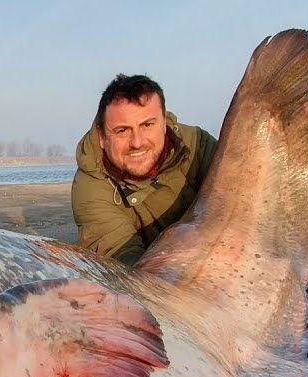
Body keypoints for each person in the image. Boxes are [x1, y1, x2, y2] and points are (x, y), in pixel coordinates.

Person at [72, 74, 218, 265]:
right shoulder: (90, 189)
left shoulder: (198, 145)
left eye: (147, 125)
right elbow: (125, 264)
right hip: (158, 275)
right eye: (122, 130)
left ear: (164, 123)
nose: (137, 143)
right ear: (101, 136)